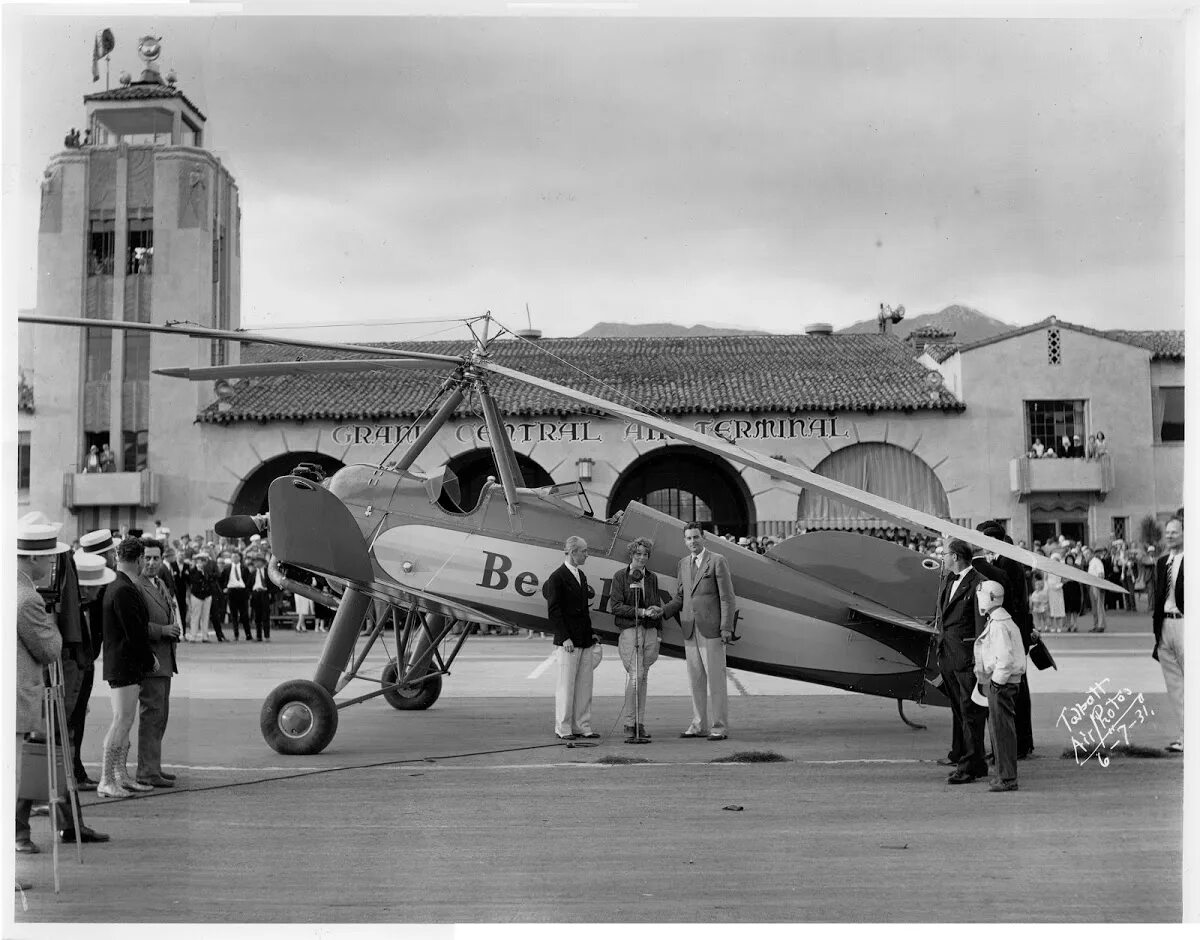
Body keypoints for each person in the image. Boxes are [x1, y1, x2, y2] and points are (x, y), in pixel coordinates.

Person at [15, 516, 68, 856]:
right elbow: (49, 649)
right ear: (34, 557)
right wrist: (53, 624)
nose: (52, 563)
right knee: (12, 781)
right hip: (16, 704)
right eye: (49, 556)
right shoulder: (27, 598)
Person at [662, 522, 737, 741]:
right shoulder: (683, 564)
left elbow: (727, 597)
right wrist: (662, 611)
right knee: (695, 680)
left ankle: (719, 727)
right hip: (689, 628)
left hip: (712, 630)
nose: (692, 542)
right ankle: (698, 725)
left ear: (703, 538)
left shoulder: (717, 561)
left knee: (716, 680)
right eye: (688, 538)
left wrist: (726, 627)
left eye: (696, 537)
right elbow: (680, 597)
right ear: (684, 541)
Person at [97, 537, 158, 798]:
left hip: (122, 663)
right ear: (139, 559)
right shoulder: (123, 588)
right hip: (123, 663)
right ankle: (107, 778)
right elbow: (135, 632)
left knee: (125, 720)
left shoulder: (119, 584)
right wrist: (149, 659)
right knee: (121, 721)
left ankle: (120, 776)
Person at [934, 539, 987, 783]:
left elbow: (981, 626)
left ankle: (968, 767)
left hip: (966, 659)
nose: (942, 558)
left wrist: (979, 659)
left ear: (955, 556)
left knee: (970, 714)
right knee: (960, 712)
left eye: (944, 554)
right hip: (947, 655)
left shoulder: (978, 583)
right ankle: (974, 763)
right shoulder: (948, 581)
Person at [134, 538, 181, 787]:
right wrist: (163, 630)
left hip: (165, 660)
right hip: (151, 661)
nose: (151, 563)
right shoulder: (137, 586)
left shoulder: (160, 582)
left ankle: (154, 766)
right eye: (147, 558)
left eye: (156, 558)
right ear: (140, 559)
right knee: (152, 716)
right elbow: (136, 625)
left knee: (160, 716)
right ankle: (147, 771)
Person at [543, 537, 599, 740]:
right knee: (566, 687)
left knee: (585, 686)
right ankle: (563, 727)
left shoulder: (581, 575)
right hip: (568, 641)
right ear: (573, 552)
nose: (586, 554)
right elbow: (554, 610)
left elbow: (584, 610)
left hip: (584, 638)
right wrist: (564, 637)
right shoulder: (557, 577)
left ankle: (582, 725)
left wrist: (591, 633)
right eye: (584, 551)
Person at [972, 580, 1026, 792]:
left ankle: (1007, 778)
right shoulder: (1001, 621)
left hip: (1001, 683)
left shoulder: (999, 625)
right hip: (1003, 682)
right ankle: (1004, 775)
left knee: (1001, 731)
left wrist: (995, 683)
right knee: (1001, 731)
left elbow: (1005, 659)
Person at [609, 537, 664, 738]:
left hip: (650, 631)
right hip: (630, 630)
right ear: (631, 555)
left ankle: (639, 723)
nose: (641, 557)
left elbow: (655, 602)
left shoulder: (652, 578)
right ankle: (629, 723)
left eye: (645, 554)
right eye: (638, 553)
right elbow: (615, 606)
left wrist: (659, 632)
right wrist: (641, 612)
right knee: (636, 676)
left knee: (643, 676)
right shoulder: (620, 577)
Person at [1152, 517, 1184, 753]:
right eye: (1168, 532)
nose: (1170, 535)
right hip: (1165, 627)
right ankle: (1185, 735)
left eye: (1175, 532)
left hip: (1185, 625)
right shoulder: (1162, 562)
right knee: (1175, 686)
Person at [221, 550, 253, 641]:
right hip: (232, 591)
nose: (235, 558)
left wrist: (247, 590)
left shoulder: (244, 568)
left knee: (244, 614)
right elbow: (222, 579)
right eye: (233, 556)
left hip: (242, 591)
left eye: (236, 556)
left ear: (239, 558)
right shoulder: (227, 568)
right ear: (231, 558)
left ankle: (248, 634)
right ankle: (236, 634)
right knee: (233, 615)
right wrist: (224, 588)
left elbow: (249, 580)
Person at [185, 550, 215, 642]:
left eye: (203, 560)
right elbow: (193, 580)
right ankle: (193, 636)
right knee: (195, 616)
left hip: (207, 595)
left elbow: (211, 579)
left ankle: (205, 636)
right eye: (200, 560)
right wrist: (198, 570)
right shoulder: (193, 570)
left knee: (205, 617)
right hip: (197, 595)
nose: (202, 562)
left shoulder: (208, 570)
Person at [249, 553, 277, 641]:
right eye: (255, 561)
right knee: (257, 617)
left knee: (265, 616)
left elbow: (272, 585)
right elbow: (249, 585)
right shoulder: (253, 573)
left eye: (258, 561)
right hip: (256, 594)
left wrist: (270, 593)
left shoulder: (267, 572)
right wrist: (251, 594)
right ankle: (258, 636)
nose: (257, 563)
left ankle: (267, 635)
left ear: (262, 562)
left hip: (264, 593)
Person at [1083, 546, 1108, 632]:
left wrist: (1099, 586)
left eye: (1087, 554)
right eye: (1084, 555)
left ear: (1091, 554)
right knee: (1094, 607)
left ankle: (1101, 625)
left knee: (1099, 606)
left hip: (1097, 586)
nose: (1085, 556)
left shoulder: (1097, 562)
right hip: (1092, 585)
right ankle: (1096, 624)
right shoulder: (1091, 563)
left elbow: (1101, 574)